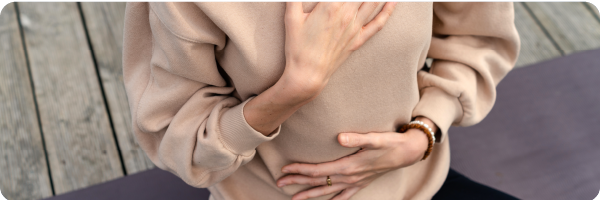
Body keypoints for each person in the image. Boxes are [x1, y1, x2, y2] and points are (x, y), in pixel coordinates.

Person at [122, 2, 520, 200]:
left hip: (414, 186)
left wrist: (424, 132)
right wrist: (291, 92)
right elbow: (177, 140)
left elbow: (476, 39)